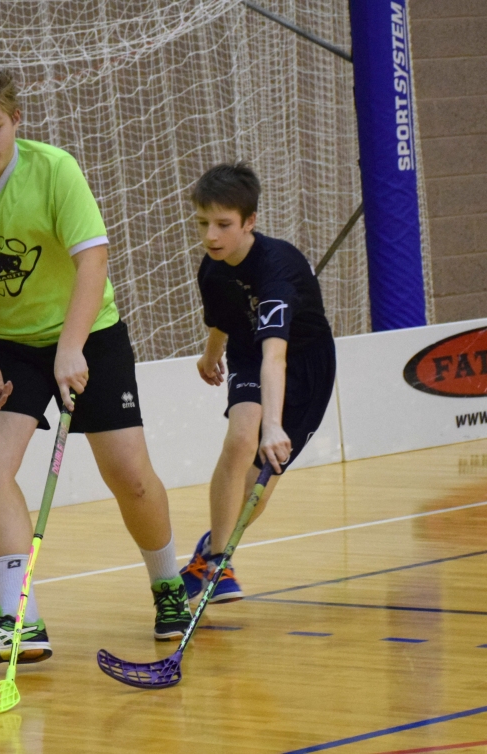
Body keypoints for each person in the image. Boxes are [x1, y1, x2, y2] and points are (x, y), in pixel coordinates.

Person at [0, 69, 191, 666]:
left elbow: (92, 260)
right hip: (9, 343)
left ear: (15, 120)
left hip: (88, 329)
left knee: (129, 474)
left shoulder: (53, 169)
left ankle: (169, 585)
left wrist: (72, 346)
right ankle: (19, 618)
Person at [181, 162, 336, 602]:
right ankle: (217, 562)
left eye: (223, 225)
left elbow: (278, 355)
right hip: (250, 352)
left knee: (259, 486)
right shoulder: (212, 269)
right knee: (240, 437)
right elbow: (223, 319)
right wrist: (210, 357)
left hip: (304, 365)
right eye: (203, 223)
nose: (211, 236)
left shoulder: (277, 269)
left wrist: (275, 426)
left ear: (250, 222)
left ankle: (209, 550)